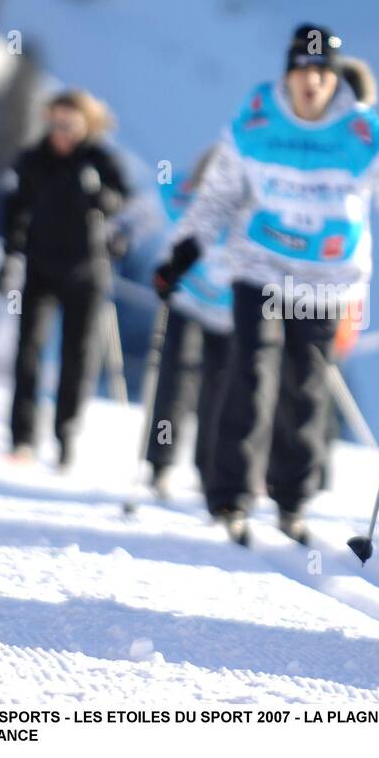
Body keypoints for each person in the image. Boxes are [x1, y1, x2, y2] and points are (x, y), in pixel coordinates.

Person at [155, 24, 379, 545]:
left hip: (328, 277)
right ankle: (231, 498)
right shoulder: (257, 117)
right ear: (287, 74)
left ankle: (291, 501)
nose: (312, 82)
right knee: (250, 373)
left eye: (322, 73)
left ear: (336, 79)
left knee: (305, 386)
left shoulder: (360, 130)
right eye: (303, 71)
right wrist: (186, 247)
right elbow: (218, 192)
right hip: (259, 265)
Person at [0, 90, 128, 469]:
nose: (59, 132)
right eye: (54, 122)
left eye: (68, 124)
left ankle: (66, 435)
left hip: (87, 271)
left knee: (78, 356)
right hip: (40, 267)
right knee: (29, 350)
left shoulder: (101, 160)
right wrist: (11, 251)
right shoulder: (33, 158)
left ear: (85, 124)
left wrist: (100, 196)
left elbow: (123, 205)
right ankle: (22, 437)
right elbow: (14, 206)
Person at [144, 145, 234, 499]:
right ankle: (161, 462)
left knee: (219, 393)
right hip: (186, 301)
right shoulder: (183, 195)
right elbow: (151, 217)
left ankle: (208, 467)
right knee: (174, 383)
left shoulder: (250, 211)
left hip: (228, 313)